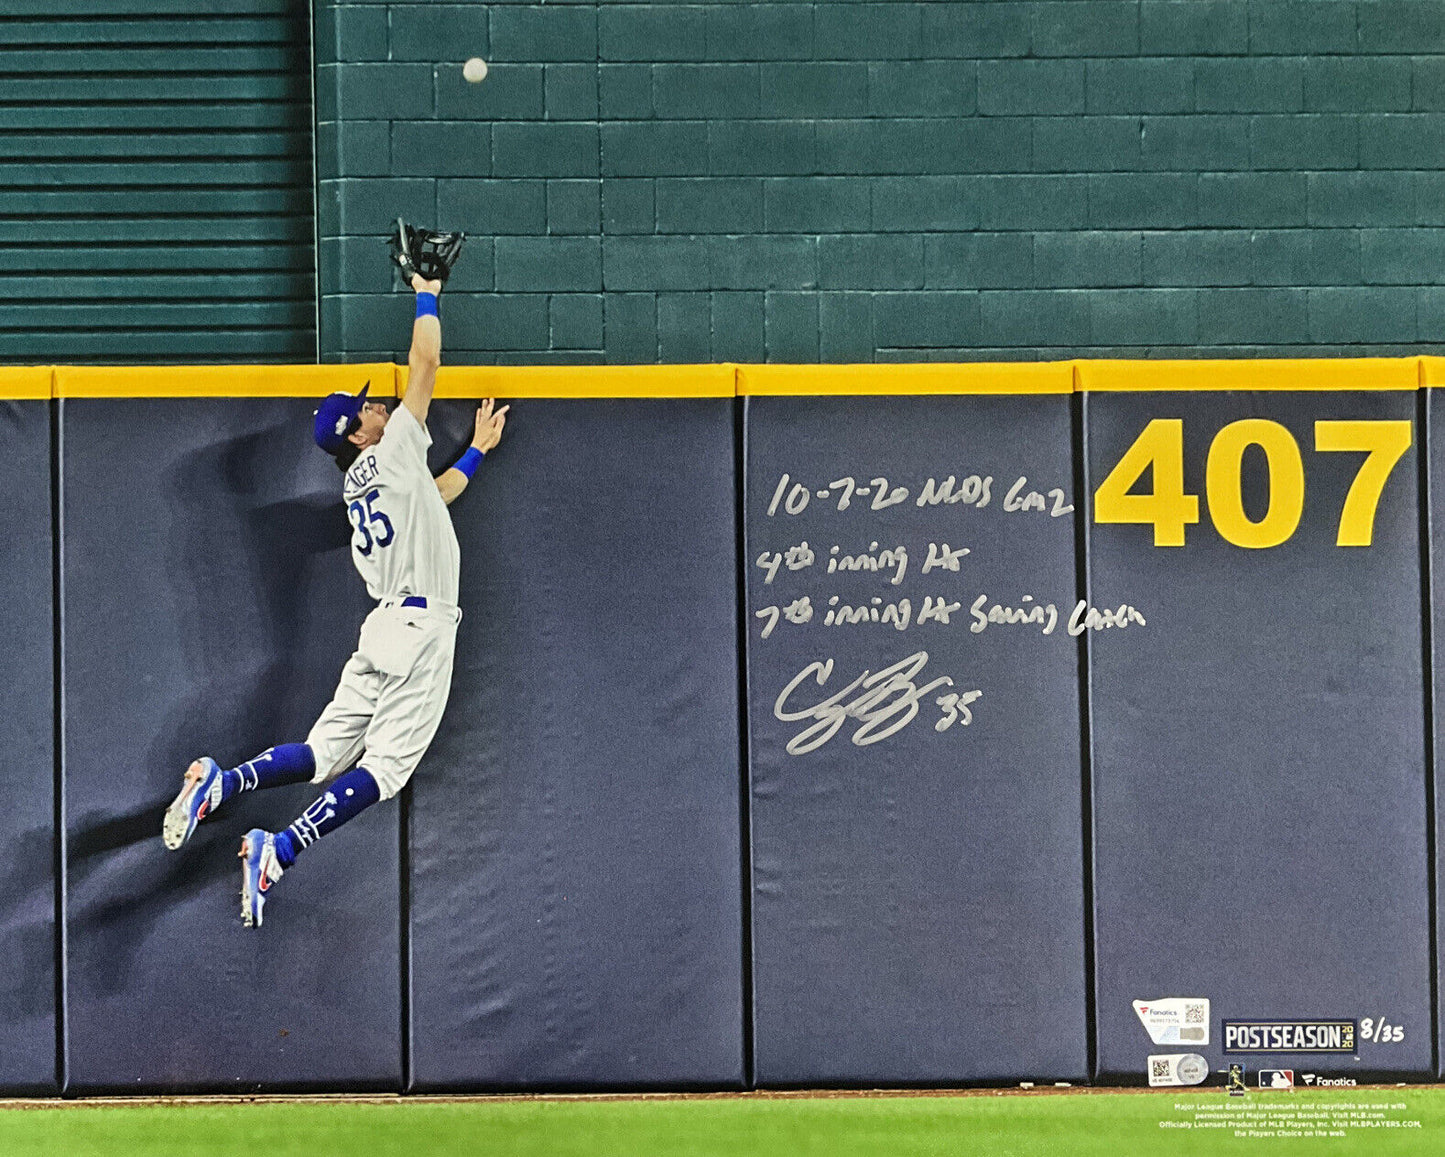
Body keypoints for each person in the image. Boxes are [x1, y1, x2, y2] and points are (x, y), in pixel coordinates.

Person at [162, 271, 508, 927]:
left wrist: (475, 457)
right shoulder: (398, 444)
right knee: (386, 770)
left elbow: (431, 502)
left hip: (382, 629)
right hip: (421, 630)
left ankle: (223, 782)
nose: (379, 406)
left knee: (323, 755)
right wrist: (426, 289)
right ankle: (280, 847)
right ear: (358, 433)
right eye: (369, 407)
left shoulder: (360, 489)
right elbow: (426, 360)